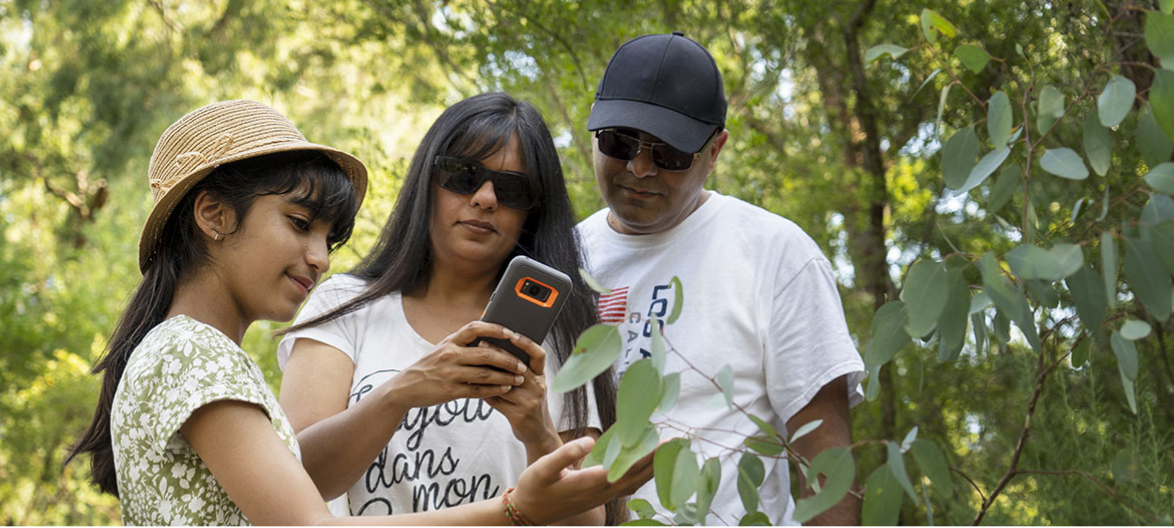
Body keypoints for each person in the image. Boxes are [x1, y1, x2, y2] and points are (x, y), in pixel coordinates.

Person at [64, 99, 649, 525]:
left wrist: (534, 434)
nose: (318, 258)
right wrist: (513, 508)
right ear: (214, 215)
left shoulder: (196, 352)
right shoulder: (192, 351)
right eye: (299, 225)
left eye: (328, 238)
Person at [276, 92, 621, 524]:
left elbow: (588, 523)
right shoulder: (343, 305)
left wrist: (538, 431)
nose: (485, 198)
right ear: (427, 180)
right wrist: (403, 391)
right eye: (463, 175)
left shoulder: (562, 332)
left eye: (513, 188)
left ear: (533, 210)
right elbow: (295, 479)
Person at [578, 33, 868, 525]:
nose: (639, 167)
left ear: (715, 151)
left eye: (668, 153)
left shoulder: (776, 254)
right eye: (620, 141)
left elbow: (826, 460)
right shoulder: (563, 260)